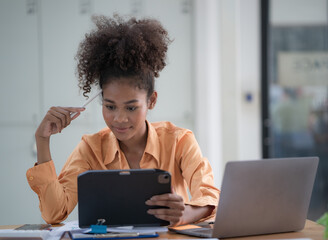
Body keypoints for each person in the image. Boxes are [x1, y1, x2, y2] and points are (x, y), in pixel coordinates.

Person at [26, 14, 220, 226]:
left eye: (131, 107)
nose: (119, 118)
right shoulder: (90, 149)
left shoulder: (180, 141)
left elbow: (210, 197)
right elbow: (55, 213)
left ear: (151, 101)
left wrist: (185, 213)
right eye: (110, 106)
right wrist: (42, 141)